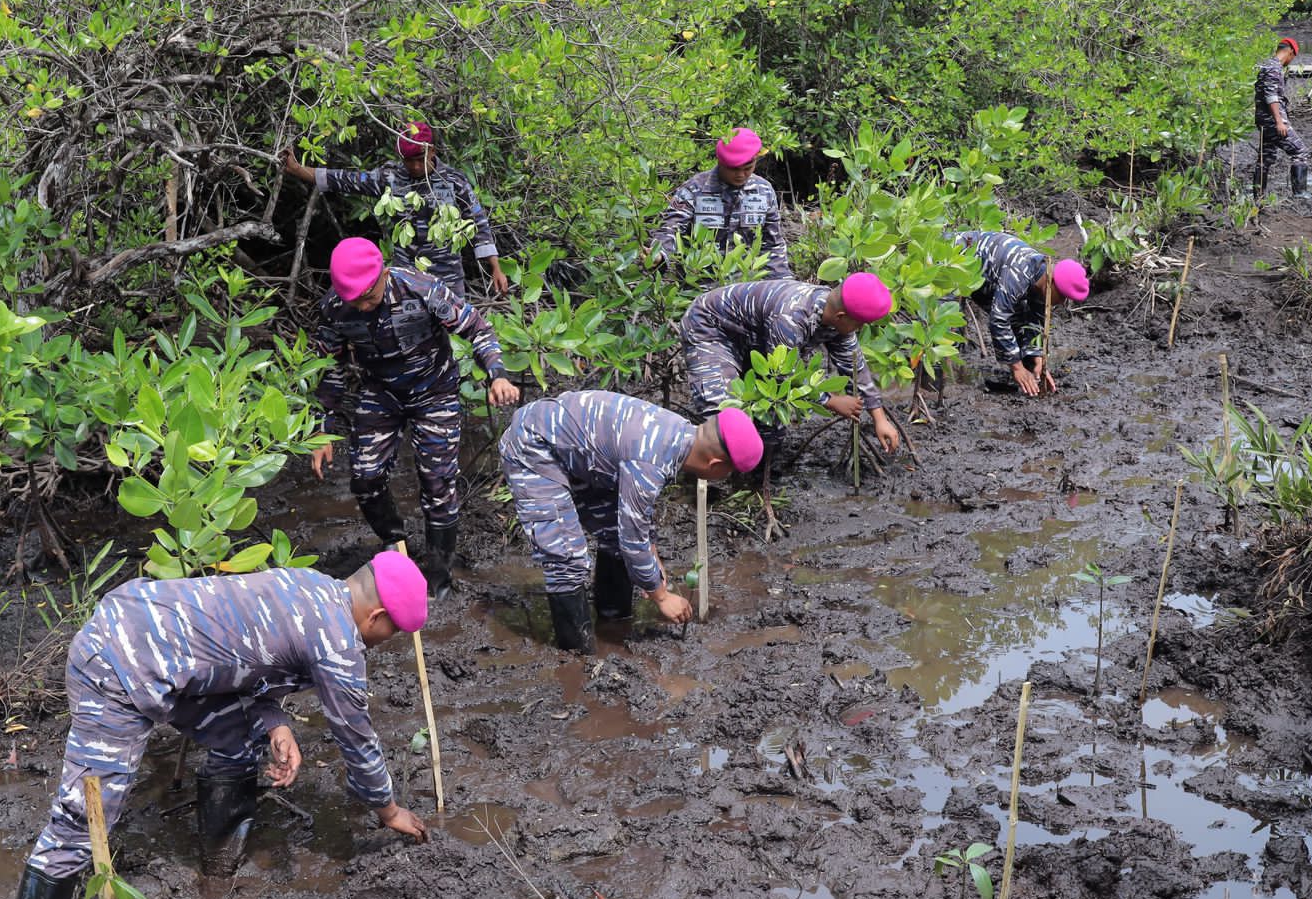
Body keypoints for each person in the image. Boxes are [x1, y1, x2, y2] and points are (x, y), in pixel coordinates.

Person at [0, 552, 432, 899]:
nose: (385, 641)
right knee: (78, 825)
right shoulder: (338, 641)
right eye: (391, 632)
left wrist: (275, 722)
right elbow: (356, 736)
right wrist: (388, 809)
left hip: (154, 643)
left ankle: (218, 875)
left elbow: (248, 656)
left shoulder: (312, 586)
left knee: (243, 739)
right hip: (118, 665)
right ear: (376, 615)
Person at [312, 238, 520, 597]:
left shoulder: (421, 288)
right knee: (365, 477)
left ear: (384, 273)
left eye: (368, 296)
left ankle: (438, 576)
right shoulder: (334, 308)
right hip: (381, 393)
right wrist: (322, 428)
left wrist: (497, 374)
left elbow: (477, 329)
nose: (362, 307)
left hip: (434, 390)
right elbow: (328, 365)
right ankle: (397, 545)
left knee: (437, 484)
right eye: (354, 301)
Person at [499, 391, 763, 653]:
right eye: (727, 474)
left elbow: (636, 516)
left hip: (579, 451)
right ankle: (576, 658)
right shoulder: (650, 461)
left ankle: (612, 620)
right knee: (566, 556)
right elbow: (633, 540)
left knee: (614, 533)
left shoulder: (679, 434)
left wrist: (652, 555)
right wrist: (662, 597)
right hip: (534, 445)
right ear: (714, 464)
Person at [283, 122, 508, 302]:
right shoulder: (391, 176)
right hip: (405, 274)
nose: (416, 167)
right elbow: (345, 180)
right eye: (409, 161)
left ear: (432, 151)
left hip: (447, 275)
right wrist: (297, 169)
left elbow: (478, 223)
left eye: (420, 160)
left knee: (454, 334)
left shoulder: (454, 181)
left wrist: (495, 268)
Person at [680, 273, 901, 453]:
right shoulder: (791, 317)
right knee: (723, 413)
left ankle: (755, 481)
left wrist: (879, 418)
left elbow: (855, 367)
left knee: (772, 425)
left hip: (755, 341)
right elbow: (782, 375)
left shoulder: (837, 320)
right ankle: (701, 482)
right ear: (842, 316)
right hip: (711, 328)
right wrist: (831, 401)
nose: (860, 330)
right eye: (860, 324)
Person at [951, 232, 1090, 397]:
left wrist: (1037, 360)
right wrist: (1016, 368)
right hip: (956, 259)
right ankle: (938, 388)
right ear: (1050, 282)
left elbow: (1034, 321)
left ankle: (1029, 377)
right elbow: (998, 320)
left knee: (1019, 321)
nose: (1062, 303)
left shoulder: (1042, 281)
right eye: (1062, 296)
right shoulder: (1020, 273)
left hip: (986, 278)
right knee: (947, 331)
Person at [647, 127, 791, 280]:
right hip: (701, 285)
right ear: (721, 162)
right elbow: (670, 229)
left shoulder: (764, 191)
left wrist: (783, 285)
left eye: (748, 168)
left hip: (748, 287)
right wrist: (659, 254)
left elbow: (772, 244)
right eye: (734, 169)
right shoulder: (694, 190)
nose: (741, 175)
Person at [1253, 38, 1310, 198]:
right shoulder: (1273, 69)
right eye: (1293, 57)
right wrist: (1279, 121)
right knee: (1300, 151)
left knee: (1265, 158)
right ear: (1290, 52)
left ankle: (1258, 198)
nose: (1291, 61)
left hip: (1264, 120)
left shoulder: (1268, 65)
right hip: (1272, 121)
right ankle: (1300, 195)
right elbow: (1271, 96)